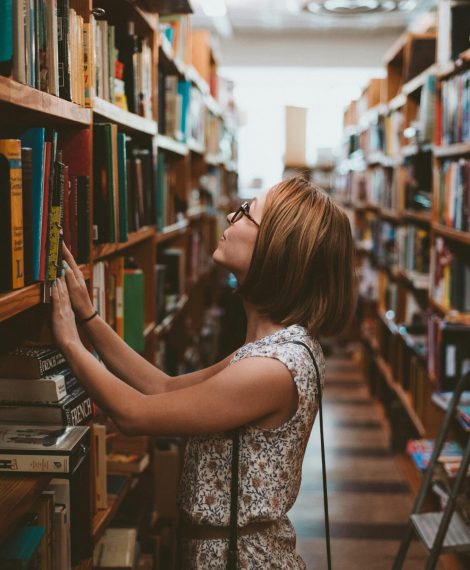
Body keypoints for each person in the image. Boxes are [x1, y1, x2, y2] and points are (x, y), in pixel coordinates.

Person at [51, 175, 355, 569]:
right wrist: (88, 318)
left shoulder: (273, 367)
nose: (231, 214)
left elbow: (133, 414)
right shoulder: (272, 349)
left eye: (246, 213)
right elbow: (162, 386)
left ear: (277, 248)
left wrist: (70, 343)